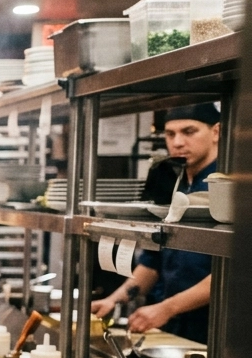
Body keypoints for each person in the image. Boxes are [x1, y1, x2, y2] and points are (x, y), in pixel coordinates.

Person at [91, 103, 220, 343]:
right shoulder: (171, 184)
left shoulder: (228, 187)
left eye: (189, 132)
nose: (177, 143)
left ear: (216, 132)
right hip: (171, 325)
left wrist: (167, 307)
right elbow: (153, 262)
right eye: (170, 134)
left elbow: (233, 272)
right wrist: (115, 300)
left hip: (215, 327)